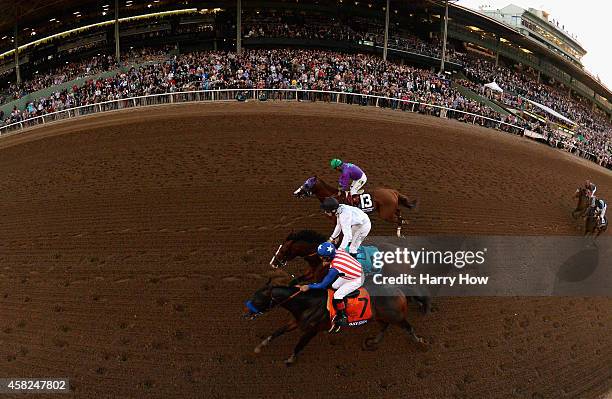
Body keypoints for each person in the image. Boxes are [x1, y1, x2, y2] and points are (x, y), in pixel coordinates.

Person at [297, 242, 364, 330]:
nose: (320, 258)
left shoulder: (335, 268)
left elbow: (322, 285)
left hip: (356, 279)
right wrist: (327, 261)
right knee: (334, 286)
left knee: (337, 295)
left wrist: (308, 286)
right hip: (354, 271)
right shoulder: (338, 251)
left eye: (321, 257)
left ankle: (341, 316)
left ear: (327, 257)